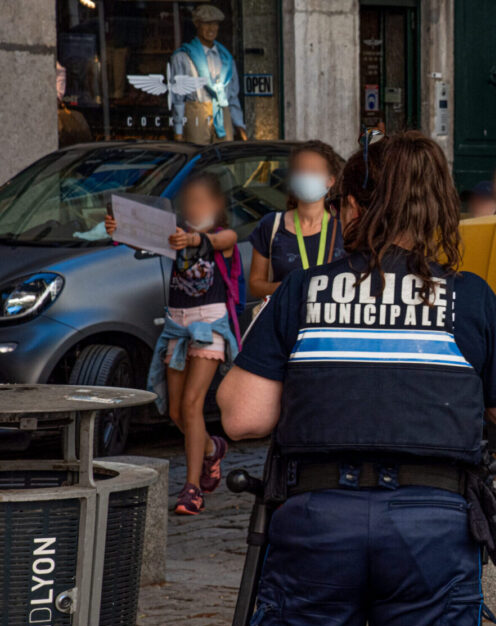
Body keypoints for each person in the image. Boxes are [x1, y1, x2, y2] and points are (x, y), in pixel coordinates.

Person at [216, 130, 496, 626]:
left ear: (359, 206)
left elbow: (242, 418)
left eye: (342, 203)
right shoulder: (467, 297)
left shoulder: (302, 290)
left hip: (317, 520)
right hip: (432, 526)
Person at [106, 173, 242, 514]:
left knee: (193, 404)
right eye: (189, 201)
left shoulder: (222, 236)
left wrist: (195, 238)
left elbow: (225, 239)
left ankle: (191, 488)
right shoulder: (173, 235)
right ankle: (212, 449)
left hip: (209, 324)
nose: (195, 207)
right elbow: (136, 237)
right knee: (176, 410)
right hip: (176, 324)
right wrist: (115, 228)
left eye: (203, 200)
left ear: (217, 205)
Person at [247, 141, 345, 301]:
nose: (306, 176)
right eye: (301, 170)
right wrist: (289, 286)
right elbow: (255, 285)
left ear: (330, 180)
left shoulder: (343, 229)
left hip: (327, 322)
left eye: (314, 171)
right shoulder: (271, 225)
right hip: (284, 321)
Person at [170, 4, 246, 143]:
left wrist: (240, 125)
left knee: (224, 158)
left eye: (215, 24)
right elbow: (178, 99)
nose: (211, 28)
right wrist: (178, 131)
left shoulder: (227, 59)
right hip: (196, 111)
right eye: (207, 23)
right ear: (197, 24)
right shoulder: (183, 57)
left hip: (223, 113)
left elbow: (233, 97)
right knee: (197, 158)